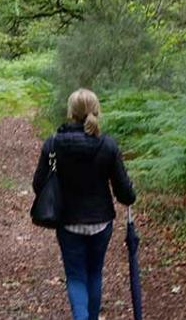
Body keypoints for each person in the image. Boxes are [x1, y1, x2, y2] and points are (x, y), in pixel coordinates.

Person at [33, 88, 136, 320]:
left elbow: (38, 184)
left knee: (76, 276)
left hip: (68, 222)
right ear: (96, 110)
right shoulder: (108, 145)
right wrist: (131, 194)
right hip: (101, 223)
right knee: (94, 274)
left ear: (71, 112)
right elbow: (124, 193)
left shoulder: (53, 144)